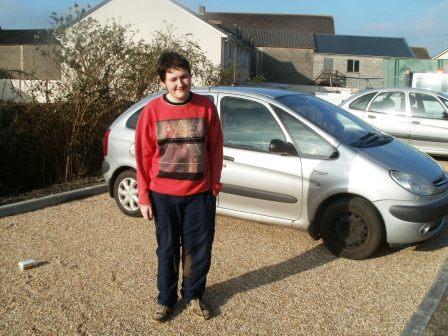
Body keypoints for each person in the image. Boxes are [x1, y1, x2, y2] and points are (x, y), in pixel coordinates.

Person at [134, 51, 223, 322]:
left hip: (199, 195)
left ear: (190, 76)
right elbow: (143, 155)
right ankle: (165, 299)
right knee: (168, 250)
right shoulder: (151, 112)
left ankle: (194, 294)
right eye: (173, 79)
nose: (180, 84)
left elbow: (216, 148)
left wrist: (214, 184)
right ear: (163, 81)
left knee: (199, 249)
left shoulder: (206, 107)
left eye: (184, 77)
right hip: (163, 196)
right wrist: (144, 197)